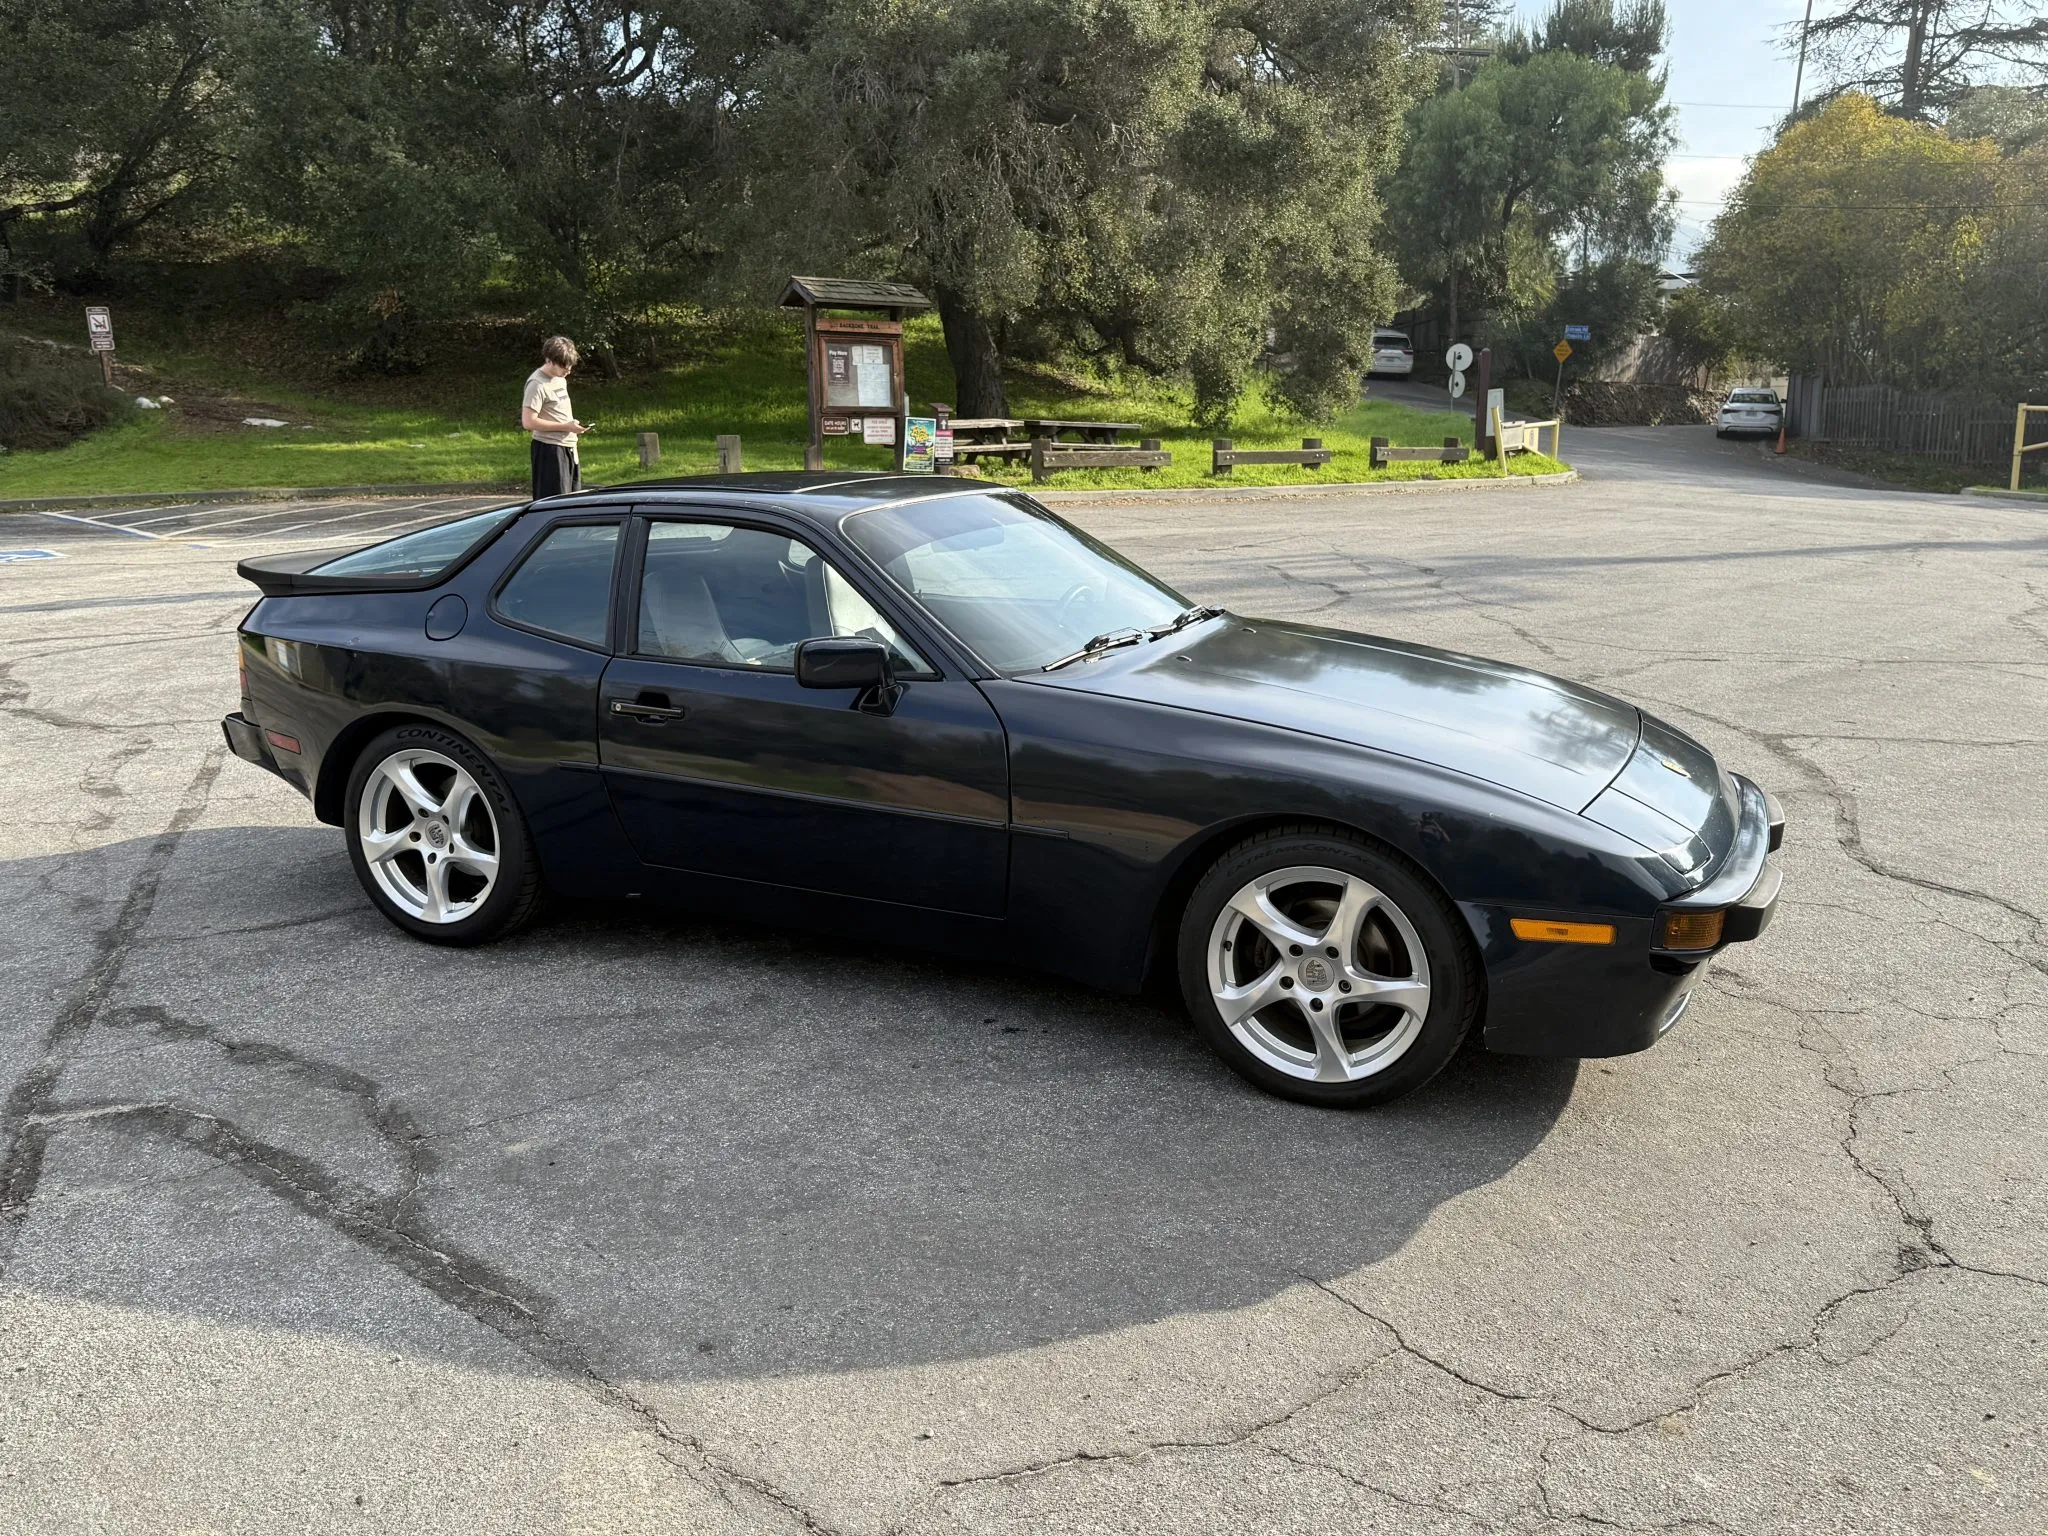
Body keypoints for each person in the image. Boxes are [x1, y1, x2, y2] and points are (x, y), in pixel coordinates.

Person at [522, 336, 590, 498]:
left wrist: (573, 426)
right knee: (555, 501)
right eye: (563, 366)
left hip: (568, 447)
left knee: (573, 501)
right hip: (550, 450)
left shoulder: (560, 380)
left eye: (570, 365)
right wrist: (566, 427)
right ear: (549, 360)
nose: (568, 370)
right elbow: (528, 421)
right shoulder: (537, 384)